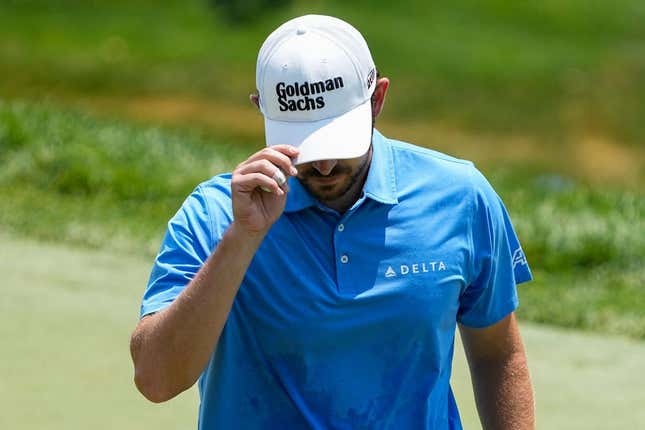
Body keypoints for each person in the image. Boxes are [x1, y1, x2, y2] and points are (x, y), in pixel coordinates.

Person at [130, 14, 535, 430]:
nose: (323, 165)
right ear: (260, 110)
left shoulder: (461, 197)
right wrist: (242, 237)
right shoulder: (213, 215)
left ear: (377, 100)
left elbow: (497, 352)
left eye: (339, 141)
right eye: (303, 144)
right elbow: (156, 379)